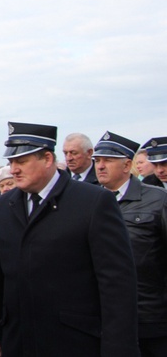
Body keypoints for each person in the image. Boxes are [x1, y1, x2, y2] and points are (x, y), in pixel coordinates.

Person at [0, 122, 139, 357]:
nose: (13, 169)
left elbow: (116, 285)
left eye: (22, 162)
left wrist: (118, 348)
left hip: (74, 342)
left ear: (47, 159)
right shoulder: (4, 205)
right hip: (18, 339)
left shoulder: (93, 202)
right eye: (11, 162)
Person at [93, 131, 167, 356]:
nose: (101, 166)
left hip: (149, 317)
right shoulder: (88, 201)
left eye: (108, 160)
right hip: (103, 317)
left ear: (127, 165)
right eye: (97, 161)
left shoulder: (158, 200)